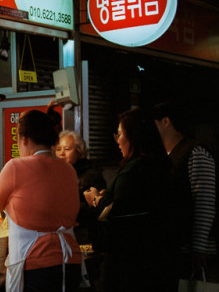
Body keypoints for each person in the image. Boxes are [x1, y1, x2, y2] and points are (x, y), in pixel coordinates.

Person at [0, 109, 82, 292]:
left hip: (37, 266)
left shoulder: (16, 166)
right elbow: (32, 195)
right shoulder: (68, 170)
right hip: (70, 263)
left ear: (23, 139)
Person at [83, 108, 178, 292]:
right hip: (159, 261)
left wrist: (95, 199)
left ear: (134, 136)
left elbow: (114, 212)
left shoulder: (135, 169)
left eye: (120, 134)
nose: (118, 141)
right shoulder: (161, 166)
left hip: (131, 265)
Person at [153, 102, 217, 280]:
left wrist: (199, 247)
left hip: (193, 251)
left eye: (154, 123)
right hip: (174, 247)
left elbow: (204, 201)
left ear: (166, 122)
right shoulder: (164, 156)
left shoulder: (195, 152)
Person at [56, 130, 106, 244]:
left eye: (67, 149)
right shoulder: (56, 173)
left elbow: (98, 206)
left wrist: (73, 217)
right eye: (58, 149)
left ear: (79, 152)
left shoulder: (91, 174)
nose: (62, 153)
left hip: (83, 233)